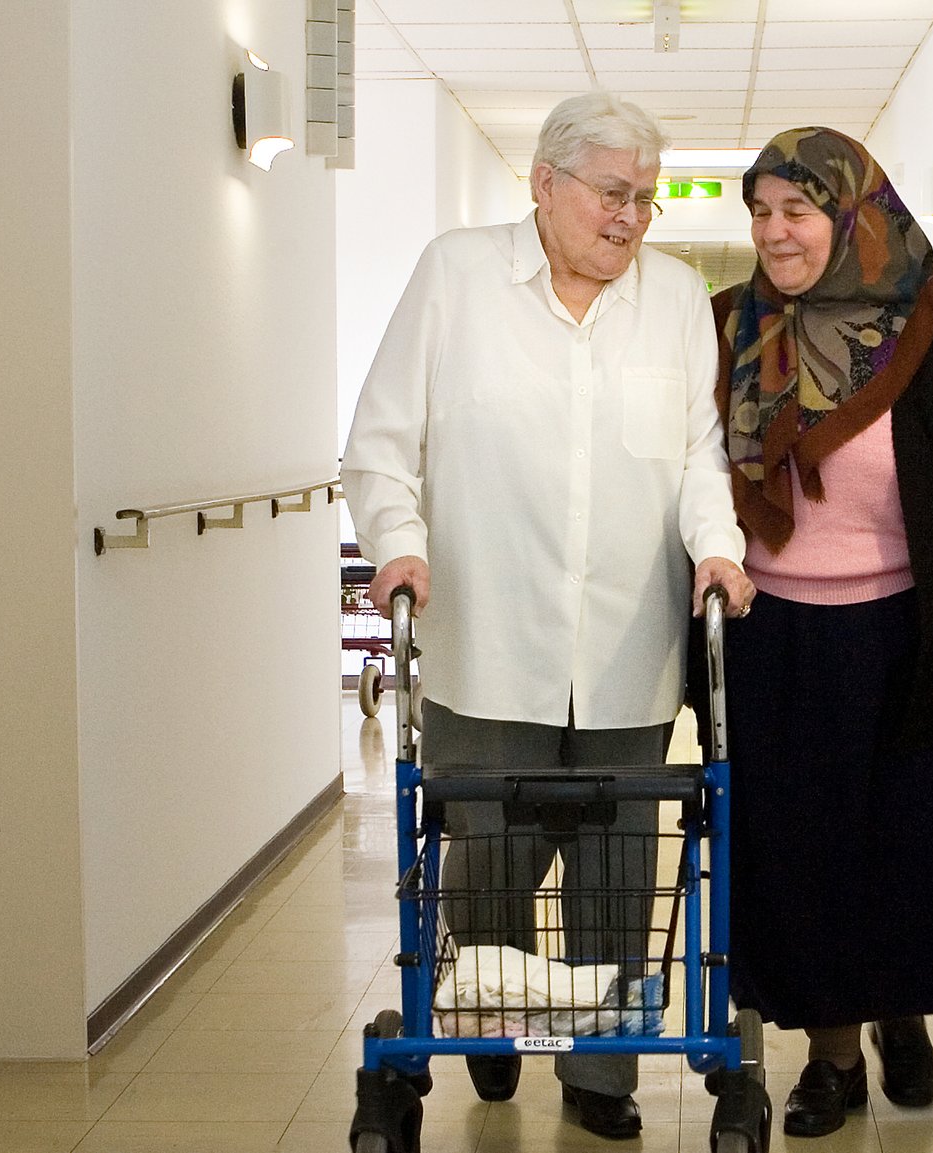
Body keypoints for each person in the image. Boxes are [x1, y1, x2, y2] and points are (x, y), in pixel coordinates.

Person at [341, 90, 755, 1141]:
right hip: (490, 635)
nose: (630, 218)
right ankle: (488, 1029)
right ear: (544, 184)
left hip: (628, 644)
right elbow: (380, 442)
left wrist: (718, 545)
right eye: (612, 193)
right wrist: (398, 539)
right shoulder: (455, 276)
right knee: (490, 857)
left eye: (646, 200)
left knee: (620, 871)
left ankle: (599, 1077)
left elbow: (699, 457)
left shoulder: (672, 298)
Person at [711, 127, 933, 1138]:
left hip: (908, 629)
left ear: (851, 216)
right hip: (774, 636)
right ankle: (831, 1058)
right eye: (759, 212)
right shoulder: (726, 327)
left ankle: (904, 1008)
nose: (773, 233)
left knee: (909, 848)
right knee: (801, 859)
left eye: (795, 212)